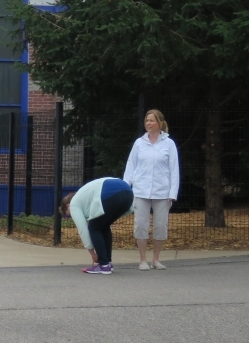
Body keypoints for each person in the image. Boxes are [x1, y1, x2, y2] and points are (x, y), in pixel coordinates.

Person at [123, 109, 179, 270]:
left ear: (160, 123)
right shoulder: (139, 143)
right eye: (147, 120)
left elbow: (174, 170)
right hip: (140, 191)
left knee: (160, 226)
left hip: (162, 192)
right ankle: (143, 260)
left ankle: (156, 259)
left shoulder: (169, 144)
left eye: (152, 120)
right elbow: (130, 166)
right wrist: (126, 187)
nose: (148, 123)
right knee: (141, 225)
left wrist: (172, 193)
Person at [60, 177, 135, 274]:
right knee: (104, 226)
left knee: (93, 228)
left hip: (111, 194)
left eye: (69, 214)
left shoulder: (73, 204)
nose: (72, 216)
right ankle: (107, 263)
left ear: (68, 206)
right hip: (128, 192)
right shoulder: (84, 197)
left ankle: (104, 265)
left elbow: (83, 230)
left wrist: (93, 254)